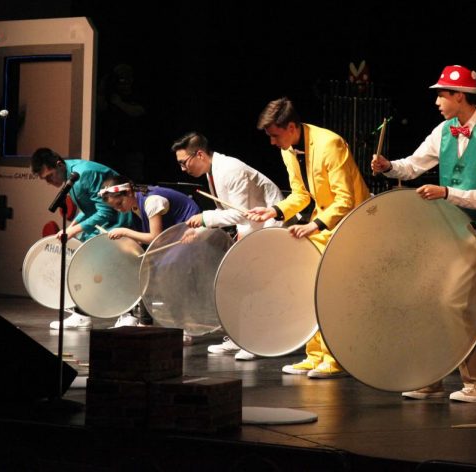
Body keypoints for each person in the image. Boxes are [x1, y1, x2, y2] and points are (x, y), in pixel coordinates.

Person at [371, 64, 476, 403]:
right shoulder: (444, 131)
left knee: (450, 301)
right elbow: (414, 165)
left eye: (442, 95)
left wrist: (446, 193)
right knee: (426, 299)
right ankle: (431, 376)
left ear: (459, 96)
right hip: (447, 229)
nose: (437, 102)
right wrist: (389, 167)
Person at [247, 97, 370, 379]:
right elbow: (301, 195)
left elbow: (345, 199)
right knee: (308, 287)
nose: (272, 142)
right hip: (325, 223)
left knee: (330, 291)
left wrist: (314, 225)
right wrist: (274, 210)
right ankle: (315, 355)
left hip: (352, 224)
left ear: (291, 127)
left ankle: (334, 358)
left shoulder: (330, 144)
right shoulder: (289, 149)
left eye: (275, 135)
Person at [171, 131, 286, 361]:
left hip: (270, 228)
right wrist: (200, 229)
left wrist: (205, 218)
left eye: (184, 162)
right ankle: (239, 337)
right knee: (237, 285)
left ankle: (255, 341)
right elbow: (230, 212)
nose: (183, 169)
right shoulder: (214, 171)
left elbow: (240, 214)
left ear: (200, 154)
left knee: (255, 289)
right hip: (253, 228)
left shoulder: (230, 170)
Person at [31, 147, 134, 330]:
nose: (49, 182)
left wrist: (74, 230)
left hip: (118, 219)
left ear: (59, 164)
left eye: (49, 176)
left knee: (112, 266)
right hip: (102, 222)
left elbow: (107, 210)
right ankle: (81, 315)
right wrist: (70, 229)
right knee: (82, 264)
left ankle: (128, 315)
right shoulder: (70, 177)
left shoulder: (84, 173)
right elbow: (90, 210)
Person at [98, 174, 201, 328]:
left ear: (129, 192)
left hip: (189, 232)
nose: (119, 209)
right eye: (115, 207)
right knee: (142, 271)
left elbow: (155, 237)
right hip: (173, 234)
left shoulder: (152, 201)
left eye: (119, 203)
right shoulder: (135, 204)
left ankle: (182, 326)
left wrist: (125, 232)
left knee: (165, 276)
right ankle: (145, 322)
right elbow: (146, 236)